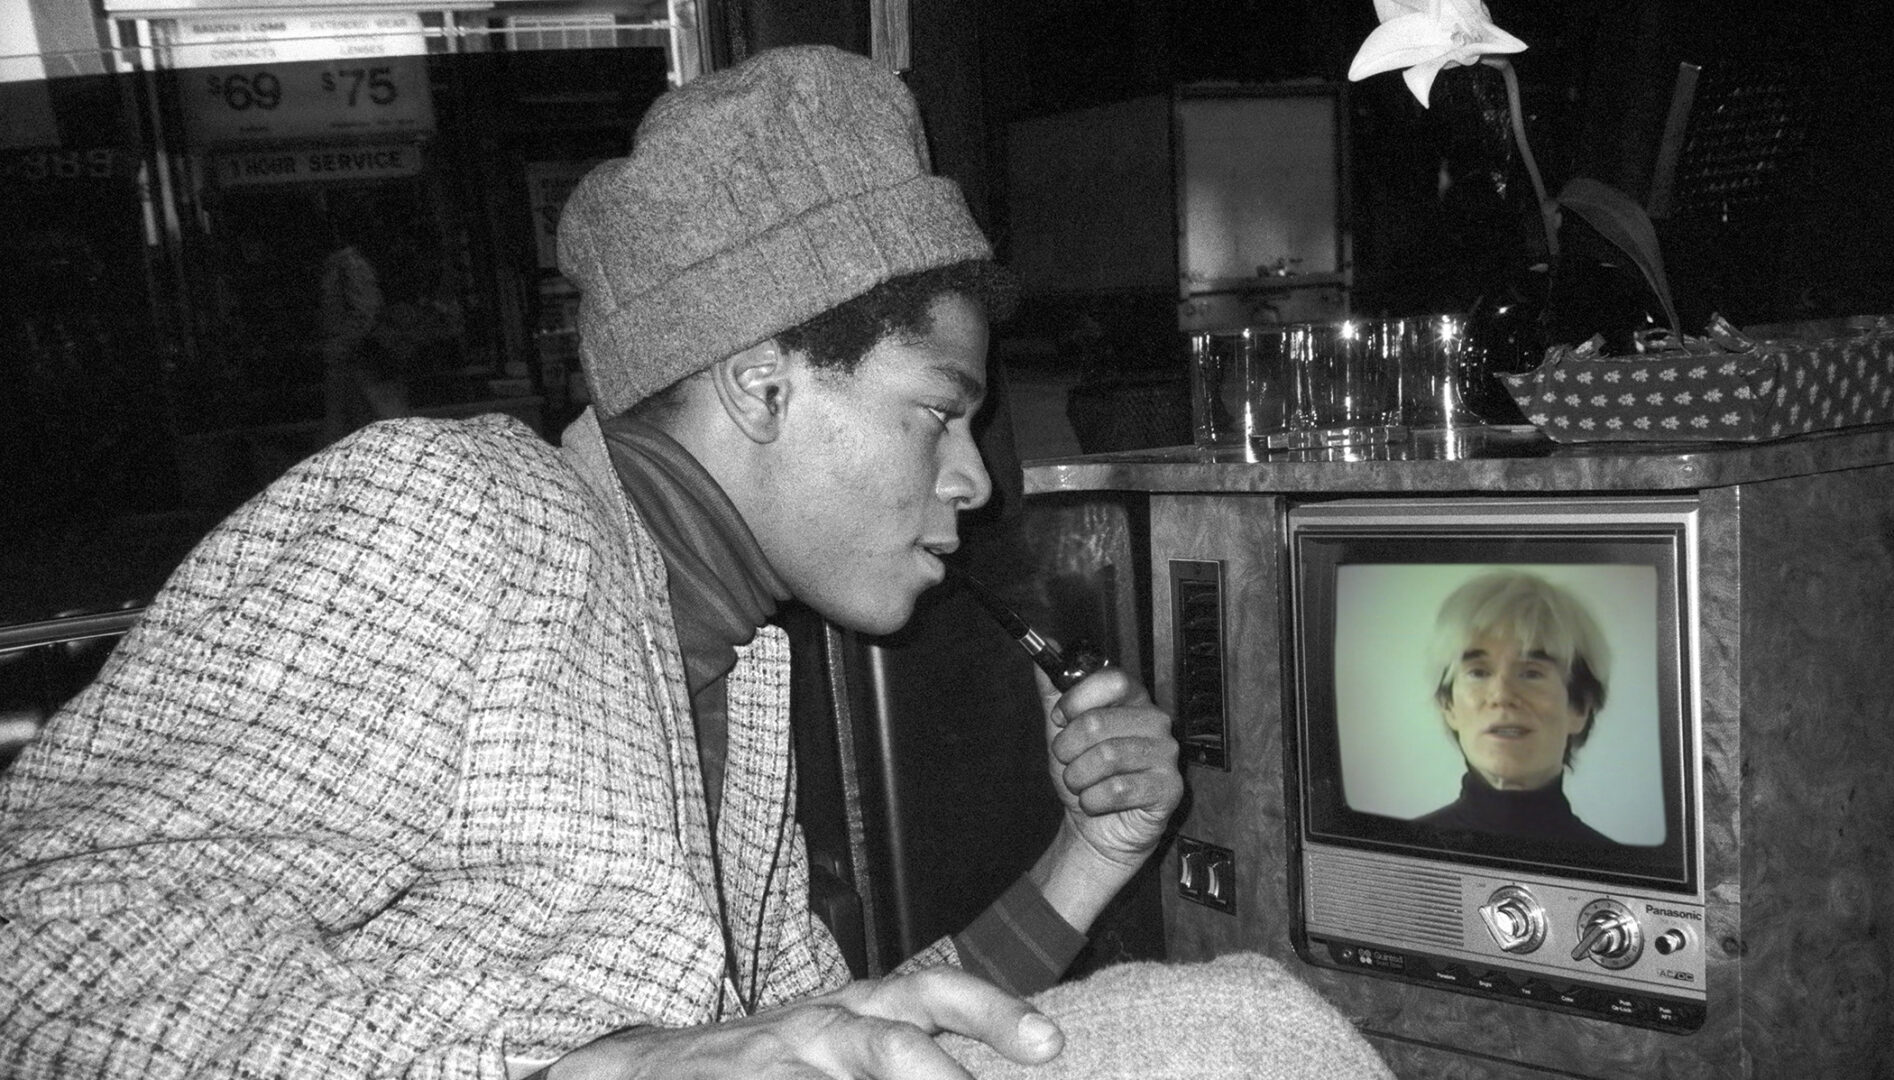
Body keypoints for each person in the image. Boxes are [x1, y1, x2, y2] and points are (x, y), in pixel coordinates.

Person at [0, 46, 1390, 1080]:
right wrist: (590, 1069)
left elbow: (842, 1040)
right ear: (761, 383)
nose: (969, 480)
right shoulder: (453, 508)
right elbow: (41, 954)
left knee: (1246, 1025)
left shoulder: (732, 653)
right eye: (937, 411)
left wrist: (1090, 860)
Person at [1414, 569, 1621, 846]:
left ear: (1579, 707)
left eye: (1531, 673)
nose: (1501, 694)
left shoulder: (1621, 869)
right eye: (1478, 672)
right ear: (1449, 705)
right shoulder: (1395, 856)